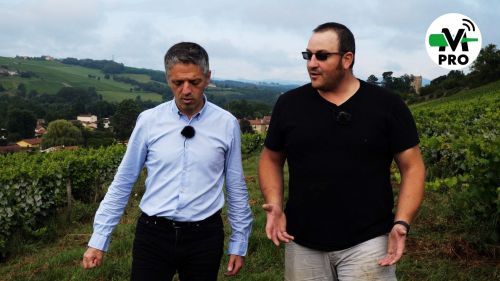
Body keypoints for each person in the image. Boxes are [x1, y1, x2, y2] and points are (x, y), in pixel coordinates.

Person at [259, 22, 425, 281]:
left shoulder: (387, 105)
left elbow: (412, 166)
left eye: (322, 56)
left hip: (368, 241)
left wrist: (401, 222)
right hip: (302, 241)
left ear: (347, 59)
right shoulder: (289, 105)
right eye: (308, 55)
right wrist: (276, 205)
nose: (311, 63)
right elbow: (271, 158)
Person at [82, 42, 253, 281]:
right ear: (167, 79)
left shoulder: (226, 123)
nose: (185, 90)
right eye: (177, 82)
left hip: (204, 237)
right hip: (153, 236)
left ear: (208, 77)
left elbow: (235, 185)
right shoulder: (149, 121)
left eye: (194, 82)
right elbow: (124, 180)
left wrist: (239, 241)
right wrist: (99, 238)